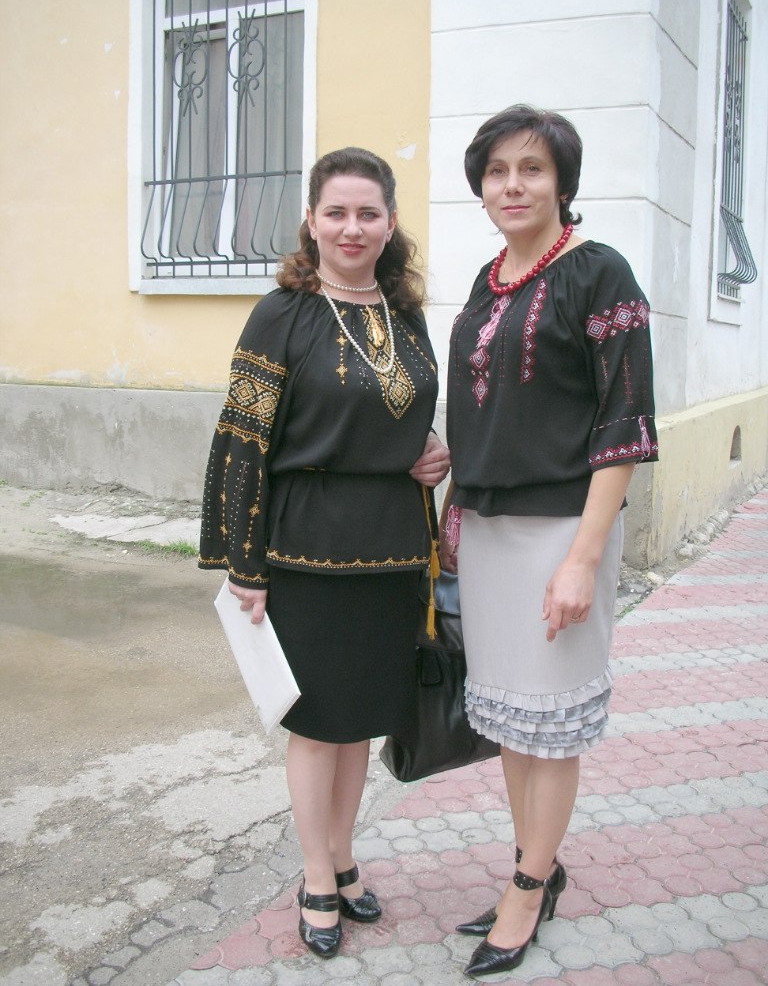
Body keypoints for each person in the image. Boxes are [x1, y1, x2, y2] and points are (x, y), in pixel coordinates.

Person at [198, 146, 449, 959]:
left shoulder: (405, 313)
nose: (352, 228)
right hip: (305, 551)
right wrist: (243, 562)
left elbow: (403, 414)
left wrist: (429, 450)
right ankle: (314, 875)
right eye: (336, 212)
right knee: (316, 724)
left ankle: (343, 856)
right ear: (311, 221)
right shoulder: (281, 314)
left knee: (360, 722)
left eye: (368, 213)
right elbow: (242, 439)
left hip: (392, 551)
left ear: (390, 222)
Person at [441, 105, 658, 978]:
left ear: (563, 182)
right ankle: (535, 864)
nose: (513, 186)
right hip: (490, 534)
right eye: (497, 171)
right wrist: (452, 485)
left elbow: (625, 424)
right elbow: (489, 408)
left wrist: (583, 558)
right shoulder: (488, 278)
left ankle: (527, 891)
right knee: (513, 719)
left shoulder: (599, 272)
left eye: (531, 169)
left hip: (562, 532)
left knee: (553, 725)